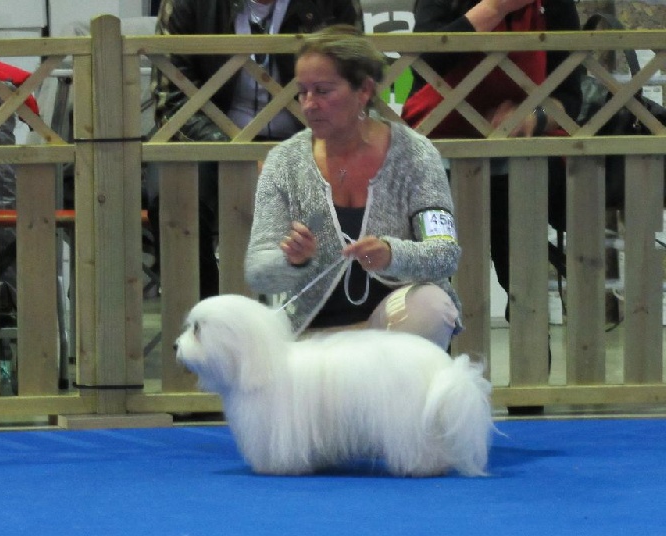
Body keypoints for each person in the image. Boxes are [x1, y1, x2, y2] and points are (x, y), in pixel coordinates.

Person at [245, 25, 461, 350]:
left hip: (392, 331)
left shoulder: (416, 154)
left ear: (364, 90)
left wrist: (392, 254)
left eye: (323, 91)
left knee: (432, 307)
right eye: (302, 91)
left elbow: (445, 254)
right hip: (312, 335)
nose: (309, 104)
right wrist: (293, 261)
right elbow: (257, 272)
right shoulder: (283, 161)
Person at [151, 0, 364, 299]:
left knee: (353, 178)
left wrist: (293, 155)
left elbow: (354, 91)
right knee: (172, 191)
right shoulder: (184, 4)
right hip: (210, 141)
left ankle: (328, 312)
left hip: (307, 140)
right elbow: (172, 102)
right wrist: (239, 157)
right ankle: (206, 314)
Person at [401, 0, 583, 306]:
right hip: (439, 155)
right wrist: (495, 9)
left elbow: (570, 96)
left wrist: (534, 116)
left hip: (520, 161)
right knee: (436, 289)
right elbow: (425, 61)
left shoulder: (554, 5)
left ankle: (528, 331)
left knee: (524, 287)